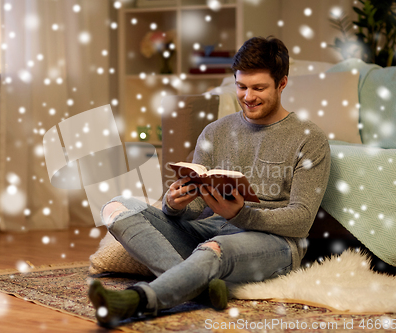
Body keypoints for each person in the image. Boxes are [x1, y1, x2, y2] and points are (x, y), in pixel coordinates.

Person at [88, 36, 331, 327]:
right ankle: (200, 286)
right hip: (211, 229)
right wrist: (174, 205)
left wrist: (242, 215)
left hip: (275, 244)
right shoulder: (215, 132)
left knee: (214, 248)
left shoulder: (310, 139)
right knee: (115, 207)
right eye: (241, 86)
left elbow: (302, 220)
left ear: (282, 84)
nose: (248, 96)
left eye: (259, 88)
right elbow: (198, 205)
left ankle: (138, 301)